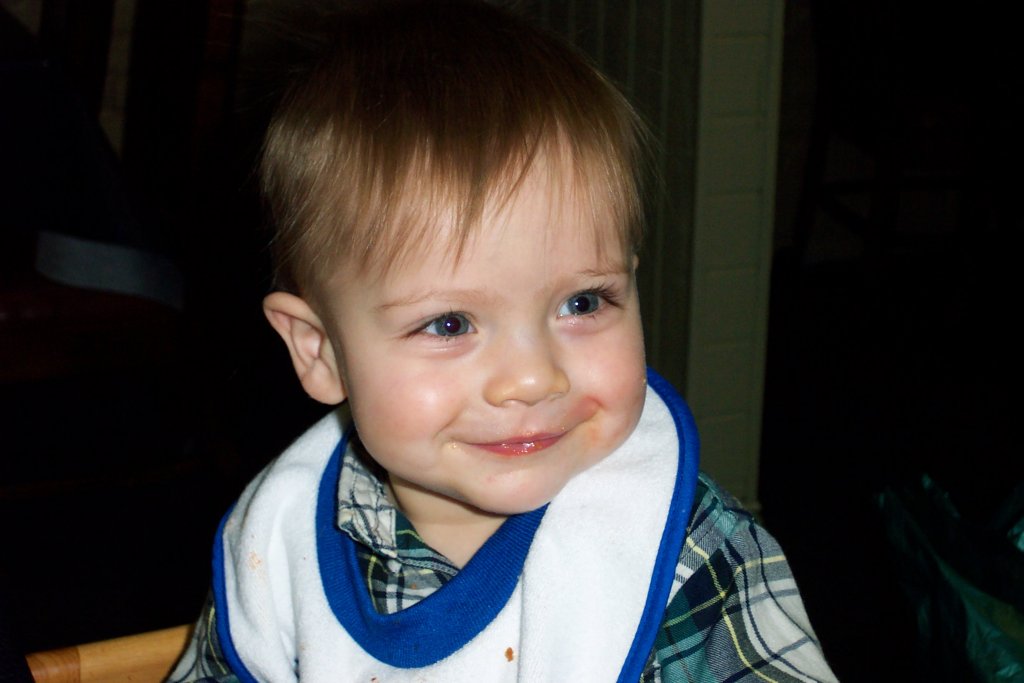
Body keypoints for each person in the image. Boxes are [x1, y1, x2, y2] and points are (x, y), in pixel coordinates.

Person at [169, 1, 837, 680]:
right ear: (320, 351)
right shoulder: (280, 537)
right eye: (450, 324)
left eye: (582, 303)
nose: (534, 378)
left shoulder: (684, 556)